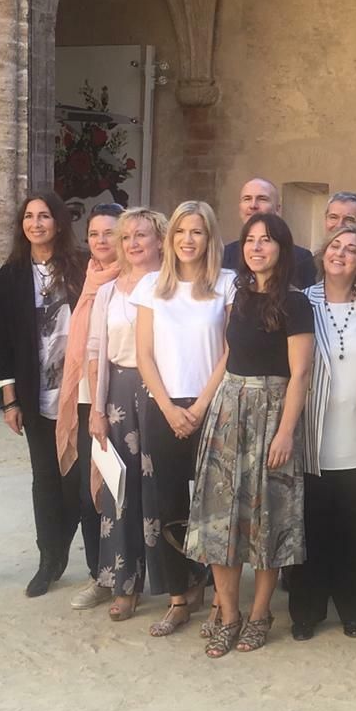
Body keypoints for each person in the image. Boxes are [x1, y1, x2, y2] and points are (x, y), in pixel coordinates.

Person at [187, 213, 314, 657]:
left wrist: (285, 433)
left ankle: (260, 614)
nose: (257, 247)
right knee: (220, 518)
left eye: (266, 240)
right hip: (229, 410)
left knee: (266, 520)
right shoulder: (237, 295)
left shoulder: (296, 303)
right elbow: (228, 355)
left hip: (271, 412)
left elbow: (300, 375)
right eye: (250, 240)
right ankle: (228, 614)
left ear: (282, 248)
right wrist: (204, 406)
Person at [131, 200, 234, 636]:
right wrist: (171, 408)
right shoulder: (152, 286)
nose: (188, 240)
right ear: (169, 239)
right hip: (163, 405)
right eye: (180, 232)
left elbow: (230, 350)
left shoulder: (227, 284)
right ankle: (178, 595)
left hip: (212, 405)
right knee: (169, 501)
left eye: (197, 232)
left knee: (214, 505)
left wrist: (199, 406)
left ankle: (219, 596)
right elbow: (143, 354)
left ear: (210, 238)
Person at [0, 191, 89, 598]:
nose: (36, 223)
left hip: (79, 393)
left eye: (44, 215)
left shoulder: (82, 266)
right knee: (44, 478)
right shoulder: (11, 275)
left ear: (59, 222)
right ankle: (48, 558)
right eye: (29, 217)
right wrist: (9, 399)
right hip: (35, 394)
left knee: (77, 479)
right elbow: (3, 341)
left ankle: (62, 545)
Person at [292, 221, 356, 640]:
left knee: (355, 527)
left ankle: (353, 606)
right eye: (334, 246)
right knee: (311, 524)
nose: (340, 253)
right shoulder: (301, 303)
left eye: (351, 249)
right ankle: (307, 610)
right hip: (314, 434)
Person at [84, 206, 165, 620]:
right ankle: (124, 583)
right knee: (122, 490)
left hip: (162, 392)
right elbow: (95, 352)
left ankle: (181, 582)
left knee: (163, 486)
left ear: (159, 241)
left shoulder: (172, 286)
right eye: (128, 236)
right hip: (117, 391)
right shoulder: (109, 291)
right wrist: (96, 410)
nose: (134, 243)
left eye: (143, 235)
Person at [57, 202, 124, 610]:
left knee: (126, 491)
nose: (101, 241)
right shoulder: (85, 280)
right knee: (90, 494)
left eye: (110, 233)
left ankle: (132, 575)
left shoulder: (140, 281)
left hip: (122, 398)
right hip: (85, 401)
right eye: (95, 234)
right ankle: (99, 575)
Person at [219, 177, 317, 287]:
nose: (253, 205)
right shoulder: (225, 255)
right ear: (240, 208)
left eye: (262, 199)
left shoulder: (301, 258)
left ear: (277, 208)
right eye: (247, 199)